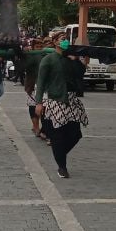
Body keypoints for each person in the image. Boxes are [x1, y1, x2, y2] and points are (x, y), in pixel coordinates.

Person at [35, 32, 88, 178]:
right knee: (57, 136)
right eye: (62, 39)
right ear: (55, 42)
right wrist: (38, 102)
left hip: (71, 101)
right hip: (55, 101)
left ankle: (60, 153)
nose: (65, 42)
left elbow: (80, 73)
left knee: (75, 134)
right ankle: (62, 167)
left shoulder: (70, 59)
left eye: (66, 39)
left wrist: (76, 60)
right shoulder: (48, 60)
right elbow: (40, 83)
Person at [24, 38, 46, 137]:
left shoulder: (46, 56)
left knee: (44, 109)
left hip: (45, 86)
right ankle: (36, 127)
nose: (39, 49)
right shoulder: (30, 56)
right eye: (37, 47)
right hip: (32, 85)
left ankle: (43, 128)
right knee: (33, 107)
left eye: (41, 47)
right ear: (33, 48)